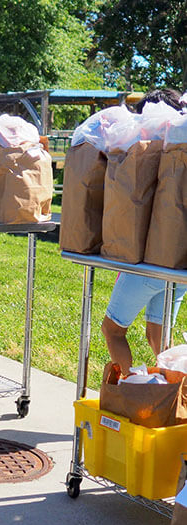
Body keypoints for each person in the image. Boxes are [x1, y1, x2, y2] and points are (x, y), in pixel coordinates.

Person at [101, 88, 187, 374]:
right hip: (179, 264)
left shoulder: (147, 145)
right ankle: (176, 401)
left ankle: (135, 391)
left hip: (150, 262)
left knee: (112, 330)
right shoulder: (178, 145)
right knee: (158, 338)